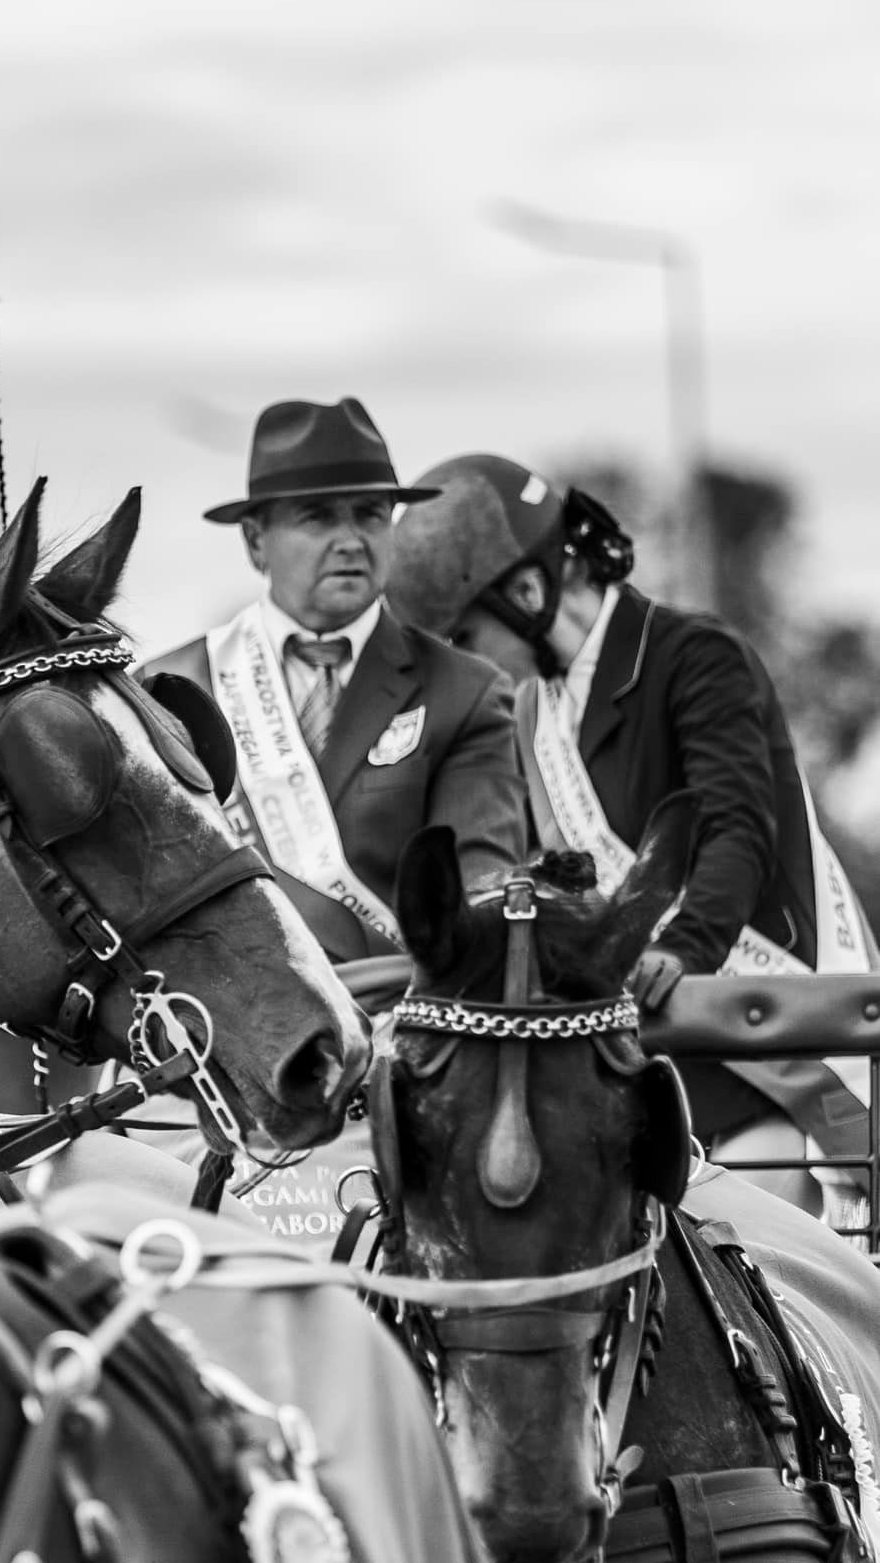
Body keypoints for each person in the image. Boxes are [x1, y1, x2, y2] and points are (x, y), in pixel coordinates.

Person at [387, 452, 878, 1214]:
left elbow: (738, 830)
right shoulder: (532, 711)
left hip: (763, 1048)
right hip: (650, 1053)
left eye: (469, 637)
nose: (471, 664)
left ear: (527, 593)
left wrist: (684, 946)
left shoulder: (695, 656)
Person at [145, 398, 528, 964]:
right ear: (255, 541)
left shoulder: (466, 693)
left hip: (399, 1007)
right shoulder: (168, 692)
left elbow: (480, 894)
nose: (351, 539)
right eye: (318, 517)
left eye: (370, 515)